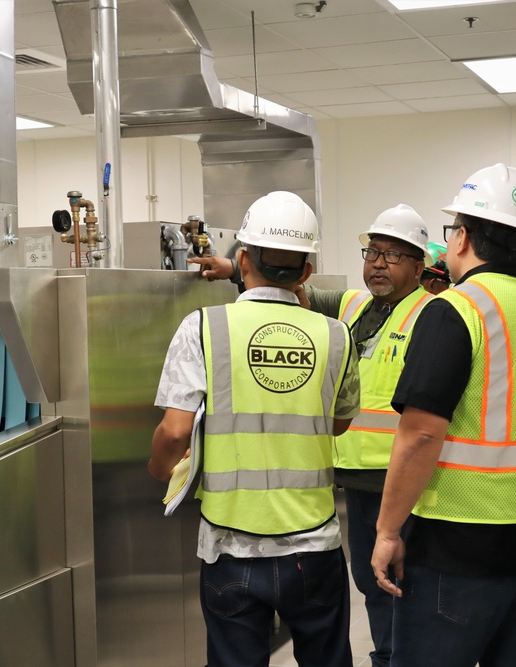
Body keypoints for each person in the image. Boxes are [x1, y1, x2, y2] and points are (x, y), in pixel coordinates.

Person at [193, 203, 433, 667]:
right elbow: (286, 289)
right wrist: (235, 269)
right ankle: (388, 656)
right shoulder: (353, 307)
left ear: (420, 267)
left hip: (404, 480)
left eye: (394, 255)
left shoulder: (433, 314)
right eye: (373, 252)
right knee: (371, 584)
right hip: (355, 479)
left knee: (404, 586)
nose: (378, 264)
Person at [371, 164, 516, 667]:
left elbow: (421, 434)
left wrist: (386, 531)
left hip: (460, 542)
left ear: (462, 237)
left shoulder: (457, 310)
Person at [149, 191, 361, 667]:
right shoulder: (335, 334)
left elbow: (175, 430)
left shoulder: (202, 327)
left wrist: (160, 468)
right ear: (307, 272)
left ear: (242, 259)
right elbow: (340, 423)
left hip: (230, 545)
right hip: (315, 543)